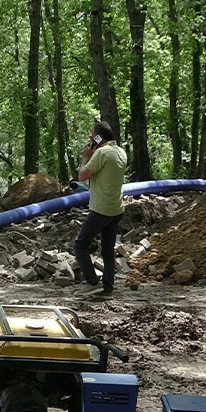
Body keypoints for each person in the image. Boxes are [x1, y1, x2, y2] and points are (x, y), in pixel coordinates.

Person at [73, 121, 128, 298]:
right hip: (116, 208)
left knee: (80, 244)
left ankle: (92, 282)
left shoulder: (102, 153)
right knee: (107, 251)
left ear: (99, 137)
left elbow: (81, 176)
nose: (90, 137)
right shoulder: (121, 152)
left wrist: (86, 156)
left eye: (93, 135)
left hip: (100, 208)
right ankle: (107, 288)